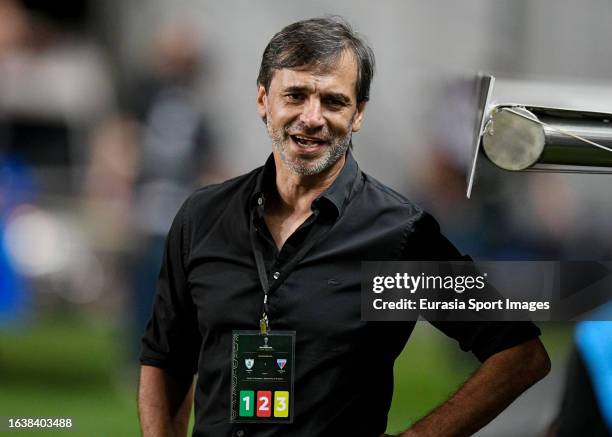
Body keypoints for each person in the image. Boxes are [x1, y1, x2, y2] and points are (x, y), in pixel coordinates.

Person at [138, 16, 550, 437]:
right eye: (295, 95)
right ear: (264, 100)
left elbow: (518, 352)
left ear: (358, 113)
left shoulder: (398, 234)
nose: (312, 117)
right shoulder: (202, 217)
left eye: (333, 101)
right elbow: (165, 358)